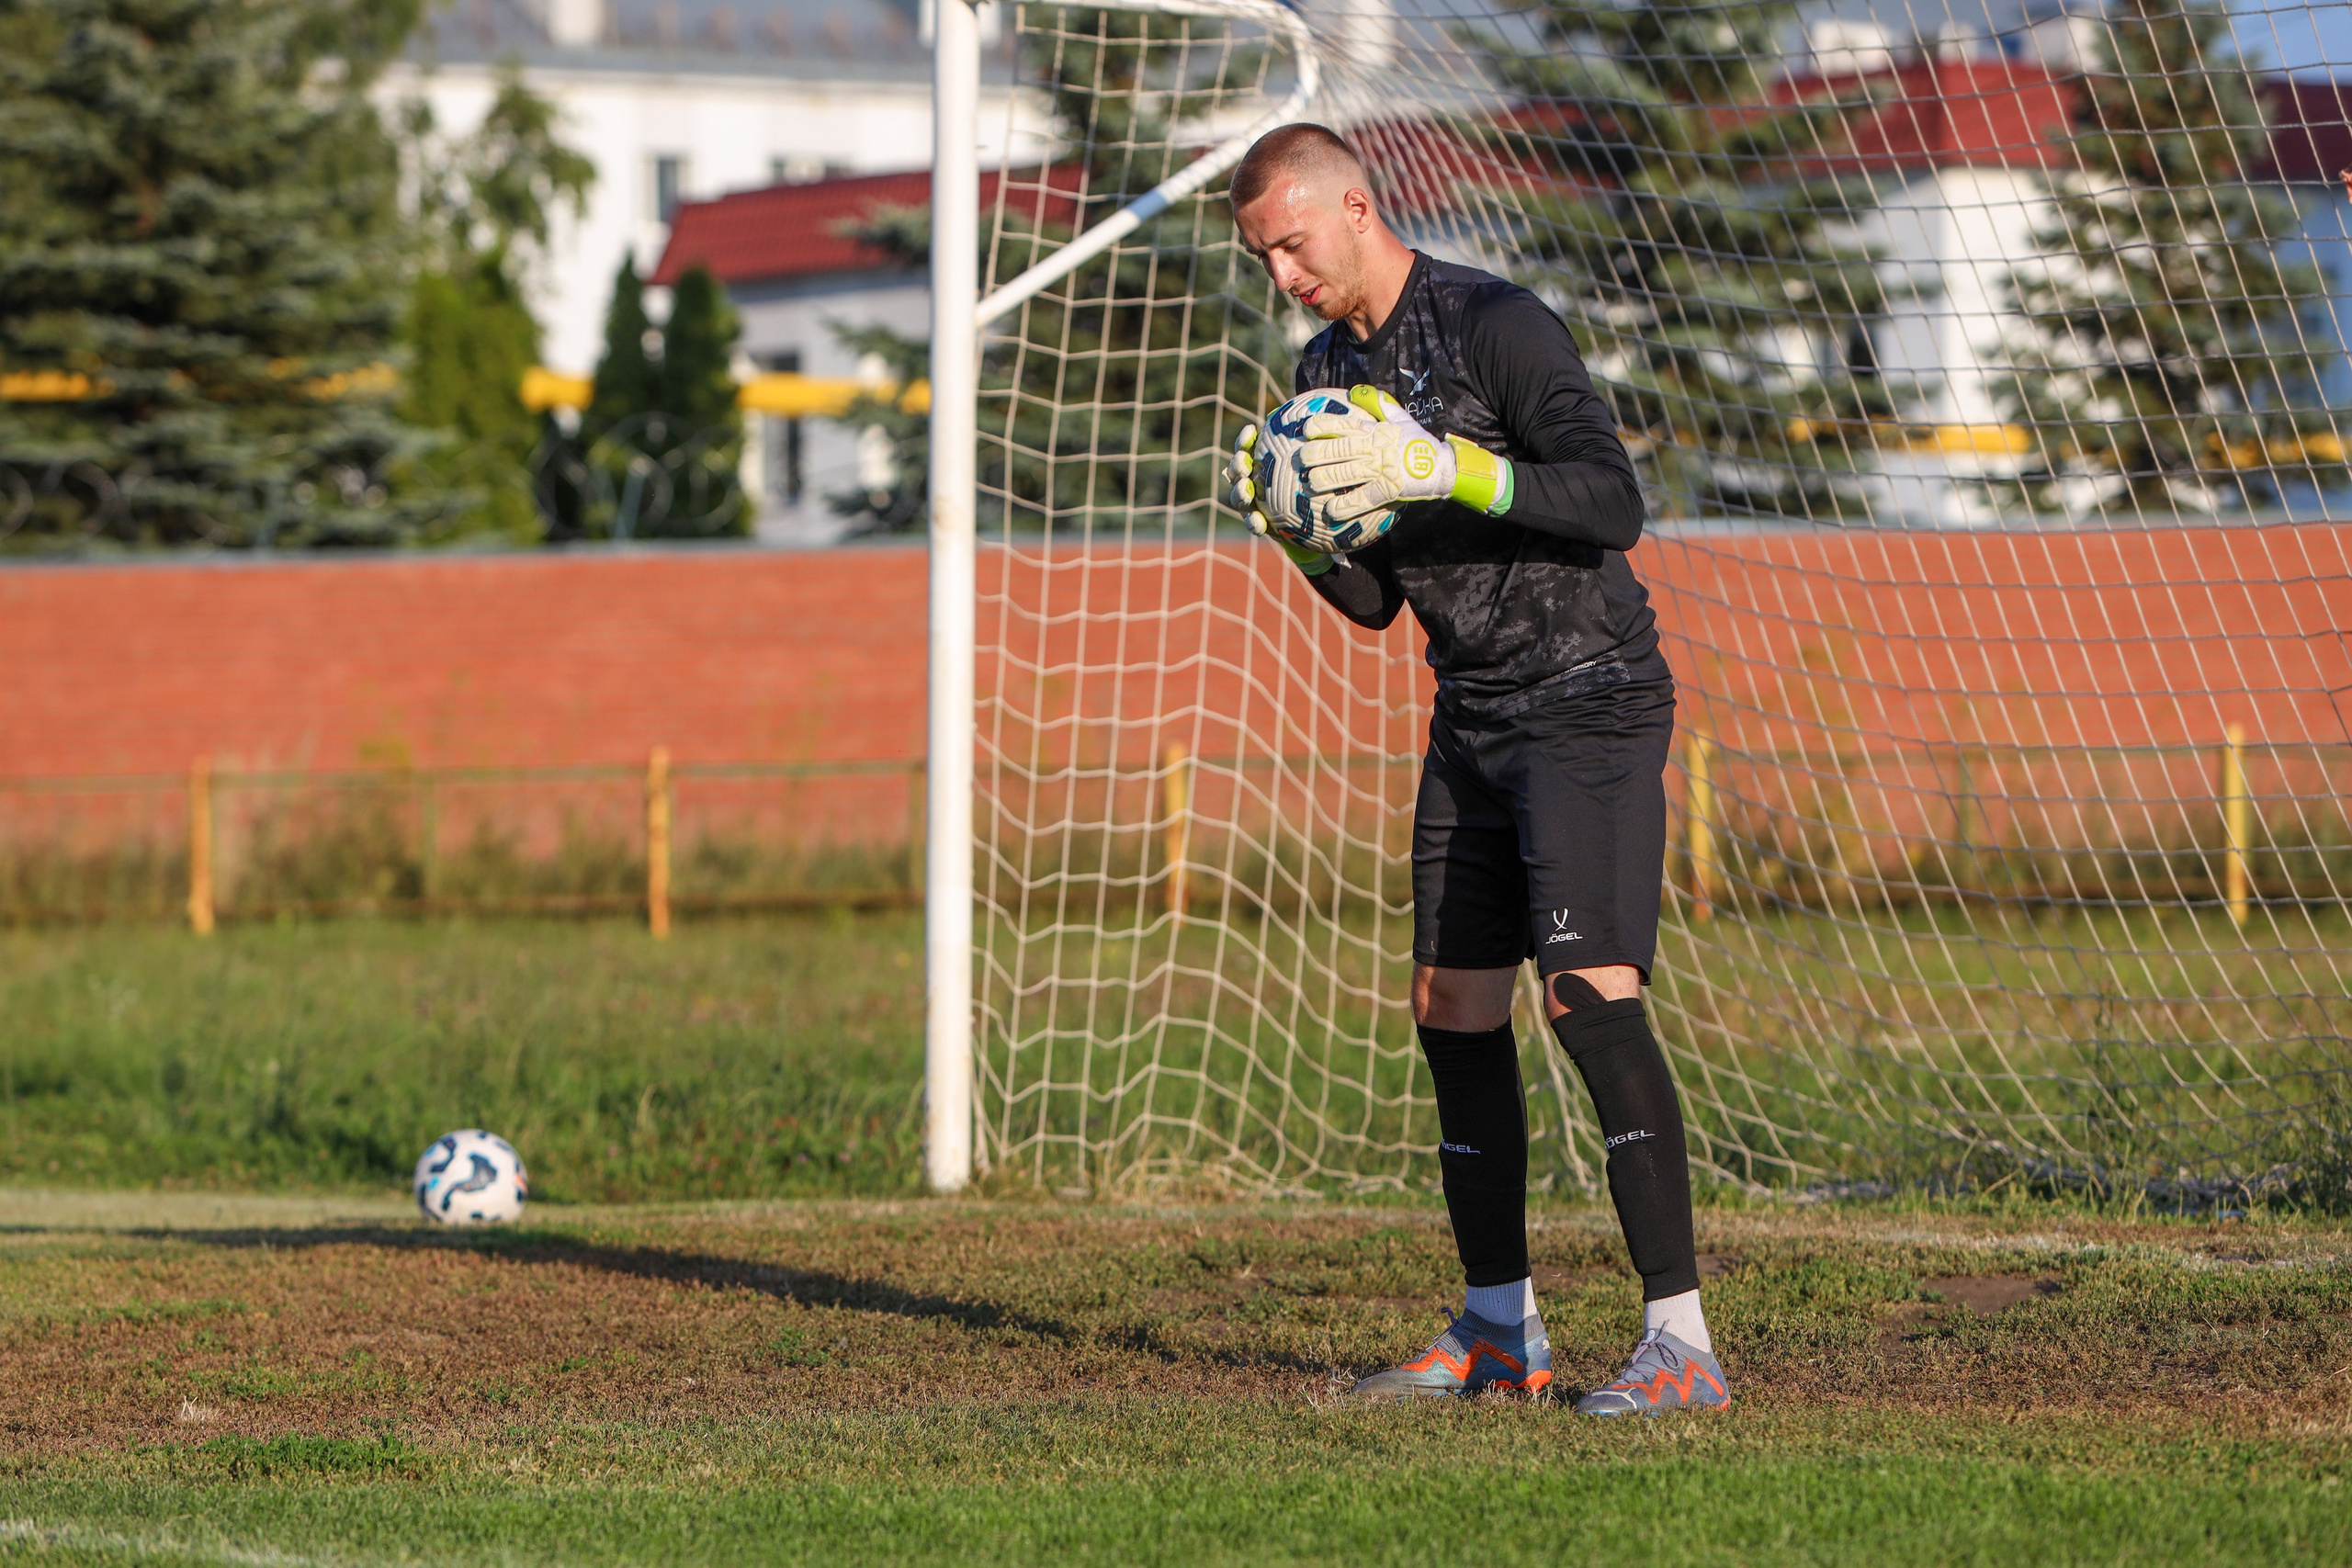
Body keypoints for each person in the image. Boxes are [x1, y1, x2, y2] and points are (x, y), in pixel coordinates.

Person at [1221, 122, 1728, 1416]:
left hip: (1591, 696)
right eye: (1263, 257)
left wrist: (1449, 464)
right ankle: (1498, 1330)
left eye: (1291, 244)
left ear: (1354, 205)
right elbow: (1381, 601)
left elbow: (1612, 503)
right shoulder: (1325, 370)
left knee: (1585, 995)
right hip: (1476, 709)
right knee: (1450, 1002)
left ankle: (1683, 1346)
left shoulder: (1498, 324)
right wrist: (1296, 530)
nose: (1285, 275)